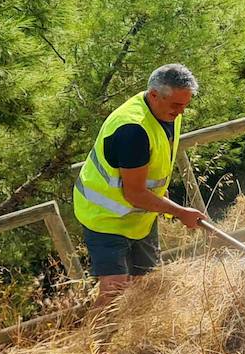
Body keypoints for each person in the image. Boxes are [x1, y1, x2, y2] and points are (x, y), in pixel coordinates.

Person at [73, 64, 206, 309]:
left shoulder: (166, 110)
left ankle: (137, 338)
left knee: (146, 283)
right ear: (154, 95)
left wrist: (162, 202)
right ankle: (97, 345)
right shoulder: (132, 130)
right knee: (114, 287)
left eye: (185, 104)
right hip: (105, 217)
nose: (181, 111)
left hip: (139, 216)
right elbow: (133, 193)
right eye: (176, 105)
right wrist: (180, 212)